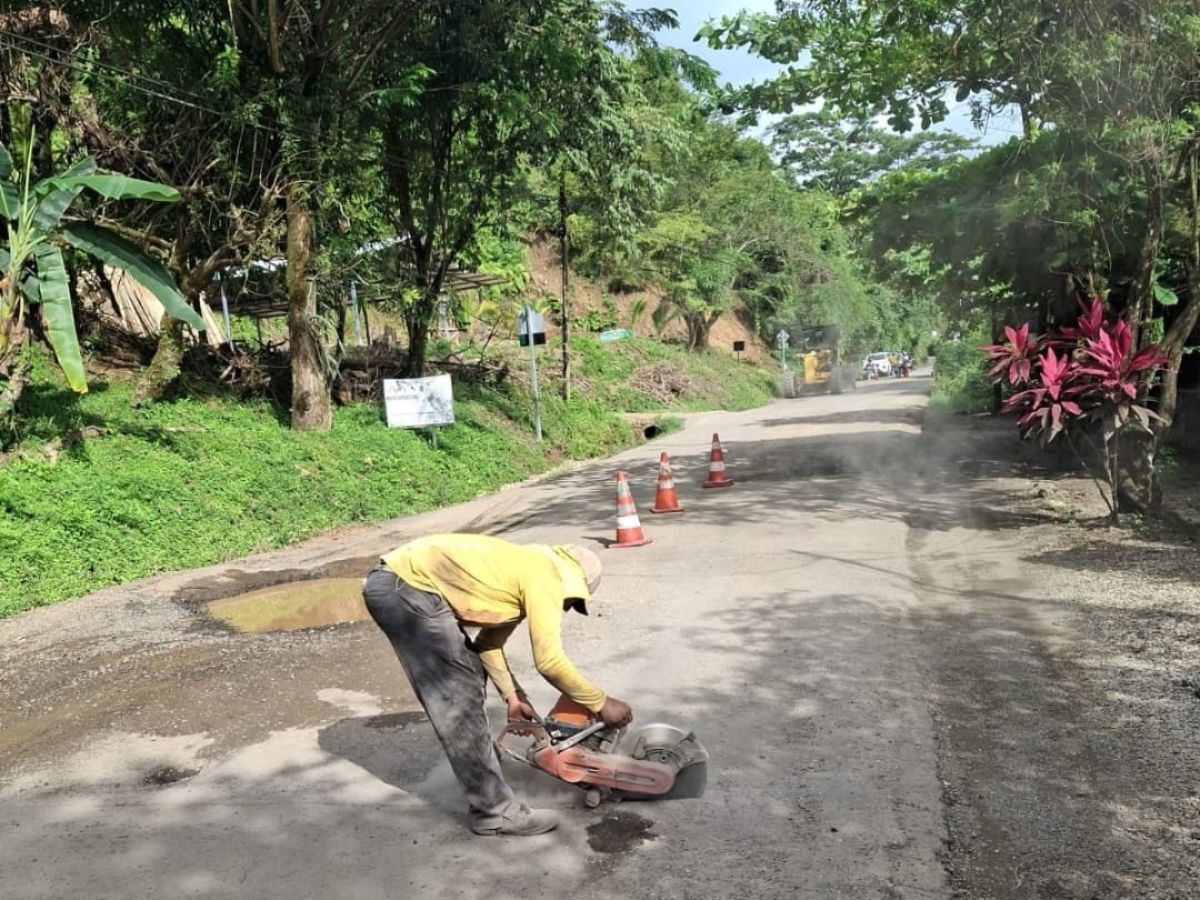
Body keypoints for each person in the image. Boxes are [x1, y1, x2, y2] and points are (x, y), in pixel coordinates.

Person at [361, 533, 633, 836]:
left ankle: (484, 769)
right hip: (407, 588)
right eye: (571, 603)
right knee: (456, 694)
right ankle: (494, 811)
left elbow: (488, 644)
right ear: (574, 583)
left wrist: (513, 696)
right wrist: (601, 703)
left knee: (470, 672)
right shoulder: (547, 576)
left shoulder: (528, 569)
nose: (566, 608)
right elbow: (549, 662)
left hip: (404, 584)